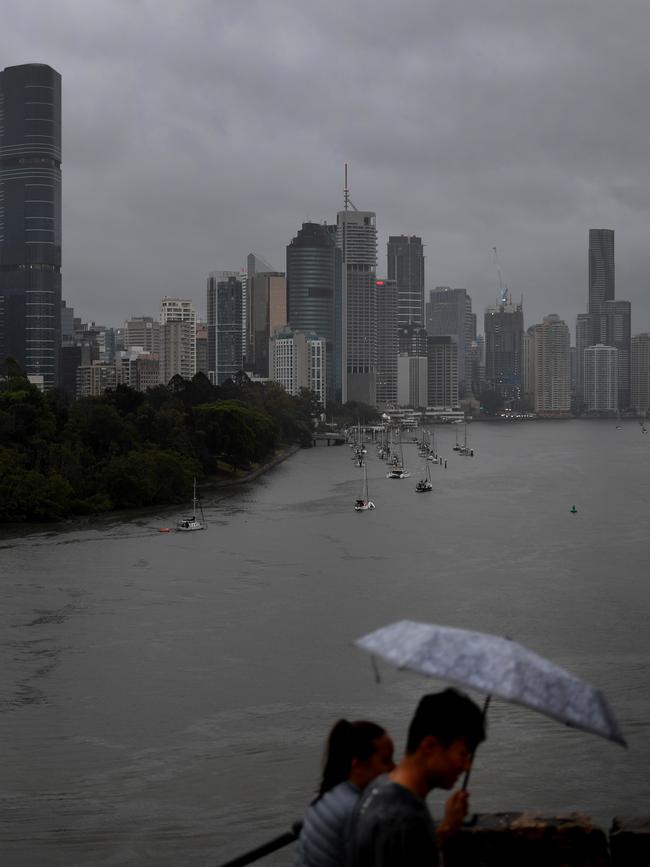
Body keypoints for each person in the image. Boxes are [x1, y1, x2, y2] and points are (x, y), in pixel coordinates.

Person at [348, 688, 486, 867]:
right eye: (463, 753)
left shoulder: (377, 789)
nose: (467, 766)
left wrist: (445, 829)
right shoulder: (405, 819)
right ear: (429, 746)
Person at [295, 719, 395, 867]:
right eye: (386, 761)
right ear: (358, 766)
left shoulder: (325, 796)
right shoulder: (358, 813)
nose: (394, 768)